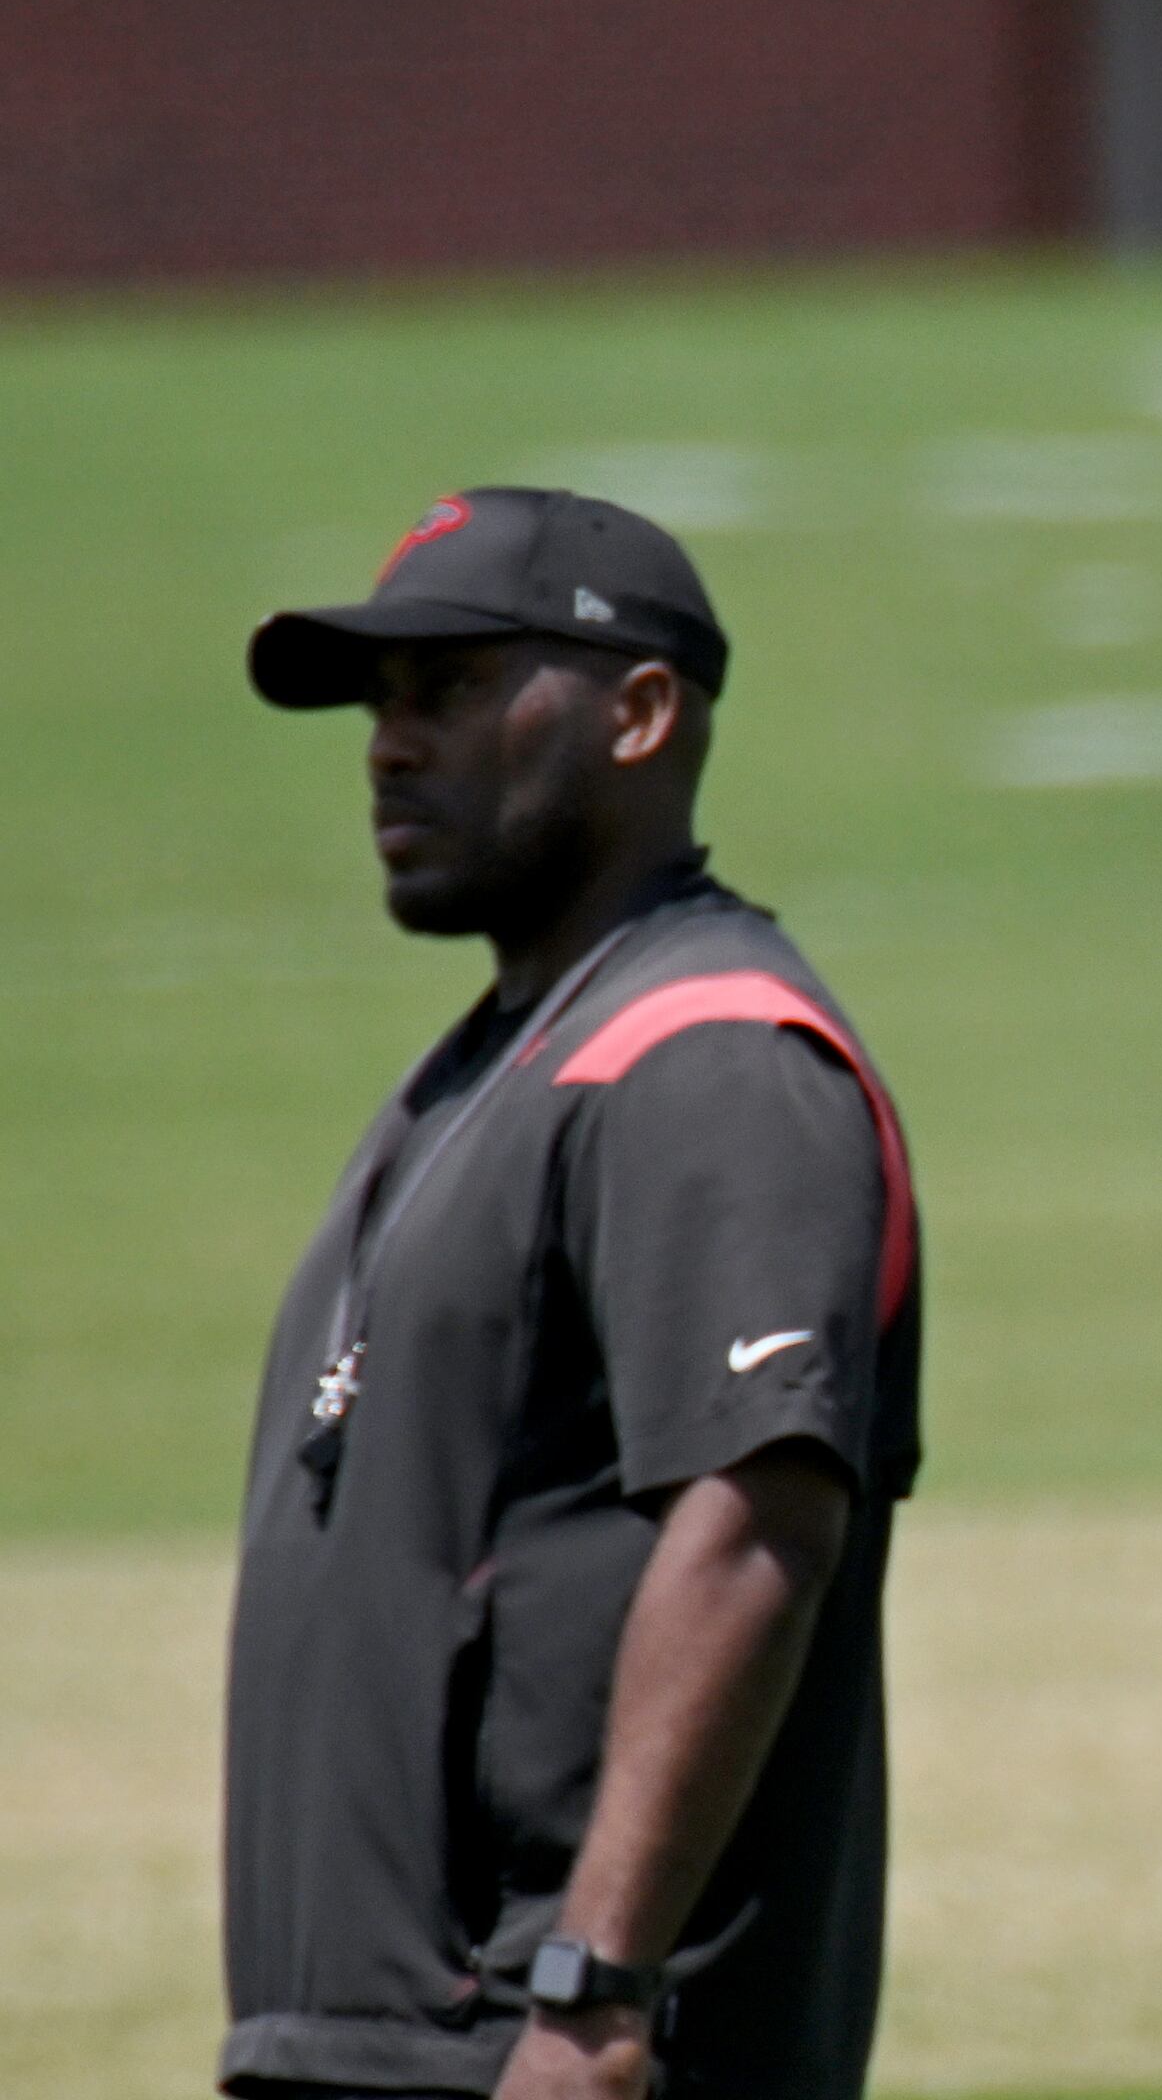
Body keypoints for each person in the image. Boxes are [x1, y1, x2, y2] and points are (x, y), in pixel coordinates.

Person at [222, 488, 921, 2100]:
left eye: (455, 688)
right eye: (380, 705)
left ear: (641, 714)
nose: (392, 745)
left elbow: (756, 1522)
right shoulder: (505, 1061)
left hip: (540, 2039)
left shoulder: (711, 1057)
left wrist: (593, 1990)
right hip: (397, 2032)